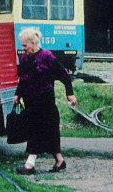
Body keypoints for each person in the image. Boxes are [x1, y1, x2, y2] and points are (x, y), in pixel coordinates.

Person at [12, 26, 77, 175]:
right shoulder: (24, 58)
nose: (23, 49)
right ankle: (59, 160)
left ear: (33, 43)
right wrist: (17, 94)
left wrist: (70, 94)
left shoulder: (47, 56)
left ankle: (30, 163)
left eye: (24, 45)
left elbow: (64, 74)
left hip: (45, 99)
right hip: (30, 100)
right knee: (46, 130)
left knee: (40, 129)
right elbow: (23, 79)